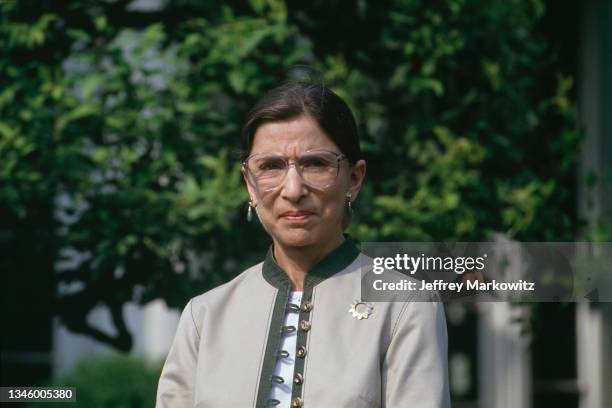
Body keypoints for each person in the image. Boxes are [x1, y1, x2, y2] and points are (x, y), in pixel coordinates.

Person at [156, 82, 450, 408]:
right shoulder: (205, 317)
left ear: (354, 179)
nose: (293, 189)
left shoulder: (404, 307)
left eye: (315, 164)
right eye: (270, 166)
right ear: (249, 185)